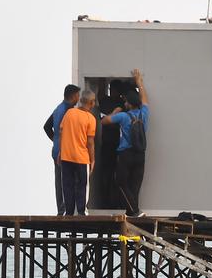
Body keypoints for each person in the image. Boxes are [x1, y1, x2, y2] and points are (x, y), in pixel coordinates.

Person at [101, 69, 149, 217]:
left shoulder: (123, 116)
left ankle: (134, 211)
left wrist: (115, 111)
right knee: (135, 184)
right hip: (140, 154)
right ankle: (132, 211)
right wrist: (139, 82)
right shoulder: (144, 113)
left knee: (120, 181)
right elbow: (145, 99)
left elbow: (104, 121)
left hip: (125, 154)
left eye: (126, 101)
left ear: (128, 103)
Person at [43, 84, 82, 215]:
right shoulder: (68, 111)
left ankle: (62, 209)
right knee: (65, 181)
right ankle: (65, 210)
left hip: (58, 149)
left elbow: (46, 127)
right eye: (78, 95)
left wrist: (55, 140)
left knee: (60, 181)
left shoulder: (58, 109)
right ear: (74, 96)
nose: (79, 98)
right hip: (63, 152)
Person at [57, 90, 98, 215]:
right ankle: (81, 211)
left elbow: (61, 133)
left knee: (67, 185)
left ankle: (68, 212)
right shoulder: (90, 119)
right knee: (82, 185)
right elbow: (90, 142)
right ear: (91, 103)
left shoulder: (69, 113)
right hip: (81, 157)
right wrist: (92, 159)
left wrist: (60, 151)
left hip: (66, 155)